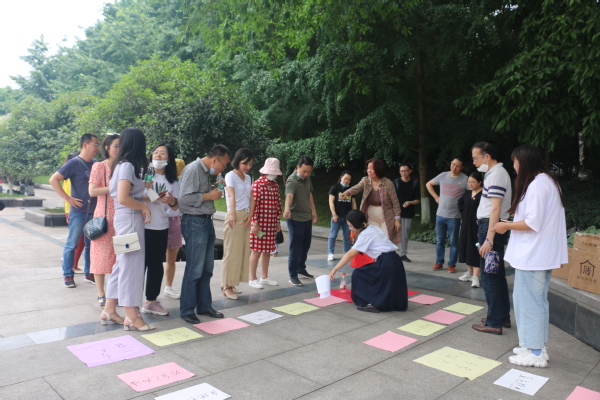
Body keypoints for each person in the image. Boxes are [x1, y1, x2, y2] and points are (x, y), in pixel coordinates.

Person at [492, 144, 567, 368]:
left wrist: (505, 226)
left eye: (515, 162)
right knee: (535, 302)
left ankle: (534, 351)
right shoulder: (547, 181)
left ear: (523, 162)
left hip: (533, 255)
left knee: (528, 303)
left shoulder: (537, 185)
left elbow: (533, 222)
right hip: (539, 254)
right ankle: (534, 346)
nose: (514, 166)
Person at [101, 127, 154, 331]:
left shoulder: (121, 165)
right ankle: (131, 315)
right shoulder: (127, 166)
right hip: (129, 221)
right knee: (131, 266)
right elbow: (124, 198)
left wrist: (148, 199)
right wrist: (143, 207)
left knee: (122, 264)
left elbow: (129, 195)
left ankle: (109, 309)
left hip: (126, 220)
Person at [178, 144, 231, 324]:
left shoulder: (205, 172)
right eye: (224, 164)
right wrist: (209, 196)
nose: (223, 169)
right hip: (194, 222)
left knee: (207, 269)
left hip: (206, 221)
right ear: (215, 160)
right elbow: (184, 198)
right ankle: (187, 309)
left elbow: (198, 192)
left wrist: (213, 187)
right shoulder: (192, 169)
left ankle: (204, 305)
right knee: (194, 269)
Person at [329, 210, 408, 313]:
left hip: (386, 262)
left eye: (351, 226)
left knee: (359, 274)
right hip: (395, 261)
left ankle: (371, 303)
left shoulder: (366, 234)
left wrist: (335, 268)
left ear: (357, 224)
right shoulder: (373, 228)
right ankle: (384, 302)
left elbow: (350, 254)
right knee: (373, 276)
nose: (349, 229)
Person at [470, 142, 512, 335]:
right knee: (496, 274)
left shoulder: (496, 174)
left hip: (490, 227)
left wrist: (489, 239)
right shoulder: (495, 173)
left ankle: (494, 322)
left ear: (486, 156)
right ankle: (501, 317)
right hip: (492, 226)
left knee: (489, 276)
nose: (474, 162)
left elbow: (495, 208)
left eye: (476, 158)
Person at [49, 134, 99, 288]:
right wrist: (68, 198)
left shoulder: (97, 163)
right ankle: (68, 274)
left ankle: (89, 273)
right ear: (85, 145)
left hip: (94, 211)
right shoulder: (73, 163)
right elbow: (53, 179)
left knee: (91, 245)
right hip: (78, 212)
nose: (97, 148)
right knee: (72, 244)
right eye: (95, 144)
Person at [141, 143, 180, 316]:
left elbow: (176, 210)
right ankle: (130, 301)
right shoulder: (143, 177)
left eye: (162, 153)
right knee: (138, 264)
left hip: (161, 226)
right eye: (155, 152)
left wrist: (172, 202)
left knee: (156, 265)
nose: (157, 155)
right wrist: (153, 196)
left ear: (169, 158)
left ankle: (151, 301)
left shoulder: (173, 182)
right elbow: (134, 197)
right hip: (142, 225)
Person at [88, 133, 120, 308]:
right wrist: (114, 187)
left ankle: (115, 292)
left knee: (120, 256)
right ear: (107, 148)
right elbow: (92, 191)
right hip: (104, 217)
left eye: (121, 146)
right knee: (100, 255)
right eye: (116, 146)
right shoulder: (99, 166)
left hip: (122, 216)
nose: (119, 149)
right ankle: (101, 293)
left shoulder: (124, 166)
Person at [342, 158, 401, 245]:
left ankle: (386, 254)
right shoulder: (366, 180)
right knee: (373, 240)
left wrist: (397, 220)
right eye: (368, 168)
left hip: (385, 216)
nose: (369, 171)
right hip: (370, 216)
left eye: (372, 169)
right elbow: (357, 188)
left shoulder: (388, 183)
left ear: (379, 169)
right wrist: (347, 192)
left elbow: (395, 203)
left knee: (385, 240)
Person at [221, 148, 254, 299]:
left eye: (250, 164)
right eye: (245, 163)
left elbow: (251, 197)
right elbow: (231, 195)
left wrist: (251, 214)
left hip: (245, 216)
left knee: (241, 252)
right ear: (237, 161)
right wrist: (232, 214)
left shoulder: (248, 177)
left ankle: (232, 283)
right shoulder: (230, 175)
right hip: (234, 214)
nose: (247, 167)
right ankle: (226, 286)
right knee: (231, 252)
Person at [426, 157, 468, 273]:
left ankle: (451, 264)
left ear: (462, 167)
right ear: (450, 164)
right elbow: (428, 184)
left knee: (454, 242)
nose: (454, 167)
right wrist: (436, 197)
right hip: (440, 214)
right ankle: (439, 262)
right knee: (440, 241)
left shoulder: (465, 179)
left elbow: (472, 192)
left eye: (457, 166)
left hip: (454, 216)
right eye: (453, 164)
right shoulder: (443, 175)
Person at [284, 155, 318, 286]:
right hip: (295, 218)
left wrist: (313, 210)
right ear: (297, 167)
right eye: (304, 171)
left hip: (306, 217)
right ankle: (292, 275)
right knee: (295, 247)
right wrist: (287, 208)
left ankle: (301, 268)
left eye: (309, 172)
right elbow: (289, 196)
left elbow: (310, 194)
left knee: (305, 245)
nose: (306, 174)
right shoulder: (292, 180)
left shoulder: (307, 178)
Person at [248, 158, 283, 289]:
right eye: (272, 172)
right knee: (256, 251)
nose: (273, 175)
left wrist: (278, 221)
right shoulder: (257, 184)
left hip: (271, 223)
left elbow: (278, 204)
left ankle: (264, 277)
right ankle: (253, 279)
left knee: (267, 250)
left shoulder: (275, 185)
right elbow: (254, 205)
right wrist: (254, 222)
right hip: (259, 224)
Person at [164, 158, 185, 300]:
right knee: (154, 259)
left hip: (175, 220)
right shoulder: (162, 181)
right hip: (160, 221)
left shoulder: (182, 185)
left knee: (172, 257)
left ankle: (168, 287)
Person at [457, 172, 483, 287]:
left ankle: (476, 277)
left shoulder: (483, 194)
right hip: (466, 225)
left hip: (477, 225)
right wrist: (463, 212)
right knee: (466, 248)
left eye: (473, 182)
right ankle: (470, 272)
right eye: (469, 182)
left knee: (475, 249)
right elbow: (460, 202)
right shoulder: (467, 193)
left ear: (479, 182)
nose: (470, 184)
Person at [62, 153, 86, 274]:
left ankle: (74, 264)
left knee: (81, 241)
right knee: (75, 242)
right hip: (74, 210)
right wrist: (68, 211)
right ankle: (71, 267)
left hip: (80, 210)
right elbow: (67, 194)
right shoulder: (70, 175)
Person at [327, 171, 356, 261]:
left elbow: (353, 203)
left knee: (347, 236)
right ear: (341, 177)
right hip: (337, 216)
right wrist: (334, 214)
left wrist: (354, 215)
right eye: (345, 178)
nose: (346, 181)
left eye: (349, 180)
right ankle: (330, 253)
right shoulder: (334, 188)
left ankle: (347, 253)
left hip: (348, 217)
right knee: (333, 235)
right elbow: (331, 202)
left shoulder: (351, 190)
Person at [394, 163, 420, 262]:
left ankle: (403, 254)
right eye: (402, 171)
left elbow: (418, 200)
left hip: (408, 213)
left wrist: (410, 202)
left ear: (410, 171)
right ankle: (392, 253)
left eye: (405, 171)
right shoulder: (396, 182)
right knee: (393, 233)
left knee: (405, 234)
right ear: (399, 172)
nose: (404, 173)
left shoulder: (414, 184)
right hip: (395, 213)